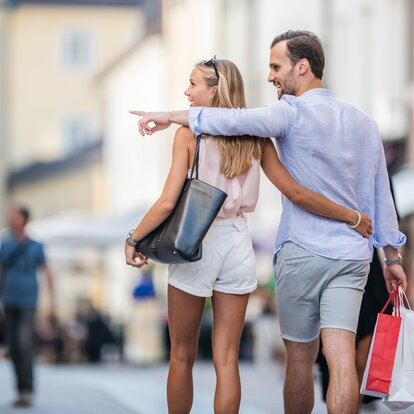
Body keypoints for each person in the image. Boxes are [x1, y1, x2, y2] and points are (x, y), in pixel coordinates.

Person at [130, 30, 407, 414]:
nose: (272, 76)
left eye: (277, 67)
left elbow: (231, 131)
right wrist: (392, 258)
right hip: (344, 252)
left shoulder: (284, 113)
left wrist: (166, 117)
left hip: (289, 248)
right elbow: (382, 196)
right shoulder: (363, 123)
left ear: (302, 66)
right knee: (338, 358)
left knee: (291, 358)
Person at [0, 205, 55, 407]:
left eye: (14, 216)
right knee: (13, 347)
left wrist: (52, 301)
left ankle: (28, 390)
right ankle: (21, 389)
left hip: (28, 301)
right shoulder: (5, 244)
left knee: (24, 343)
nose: (10, 219)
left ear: (24, 219)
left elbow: (47, 272)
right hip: (9, 300)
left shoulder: (35, 245)